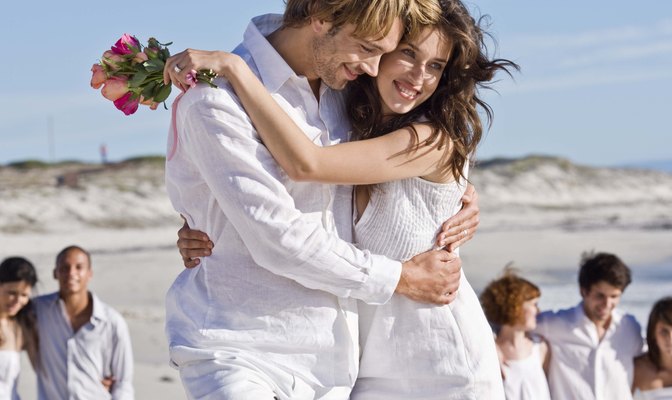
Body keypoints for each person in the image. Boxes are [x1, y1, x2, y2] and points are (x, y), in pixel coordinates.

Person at [169, 0, 516, 398]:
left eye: (436, 66)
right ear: (320, 16)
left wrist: (461, 195)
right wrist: (208, 219)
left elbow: (309, 165)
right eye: (395, 53)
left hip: (431, 358)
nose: (372, 66)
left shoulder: (375, 111)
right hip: (301, 358)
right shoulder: (343, 105)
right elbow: (278, 221)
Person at [535, 252, 644, 400]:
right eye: (600, 296)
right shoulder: (556, 324)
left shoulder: (630, 327)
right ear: (583, 291)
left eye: (614, 296)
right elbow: (510, 324)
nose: (607, 304)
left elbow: (651, 362)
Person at [34, 245, 134, 400]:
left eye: (79, 267)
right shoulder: (38, 311)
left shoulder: (112, 322)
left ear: (90, 273)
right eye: (65, 267)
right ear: (55, 273)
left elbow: (123, 383)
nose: (71, 273)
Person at [480, 268, 551, 400]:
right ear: (515, 306)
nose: (538, 310)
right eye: (534, 304)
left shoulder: (540, 347)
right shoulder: (489, 351)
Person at [0, 257, 38, 400]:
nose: (17, 301)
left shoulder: (23, 327)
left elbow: (45, 371)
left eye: (24, 295)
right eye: (12, 293)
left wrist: (91, 382)